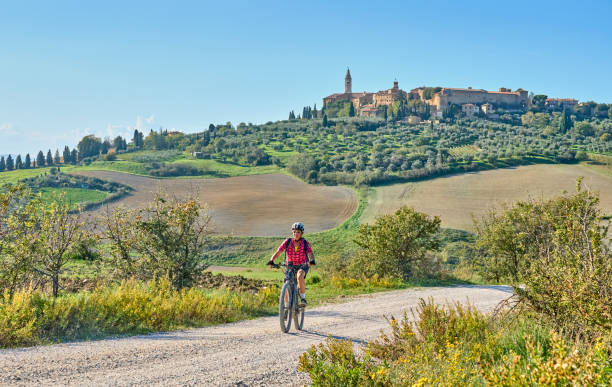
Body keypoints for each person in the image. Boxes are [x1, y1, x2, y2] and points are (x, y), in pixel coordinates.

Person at [267, 222, 315, 306]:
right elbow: (278, 252)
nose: (296, 234)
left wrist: (312, 260)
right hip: (289, 265)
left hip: (302, 265)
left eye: (298, 232)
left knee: (299, 276)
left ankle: (303, 298)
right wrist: (271, 260)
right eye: (294, 232)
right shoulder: (287, 241)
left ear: (301, 233)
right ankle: (286, 307)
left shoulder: (305, 243)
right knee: (287, 283)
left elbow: (310, 253)